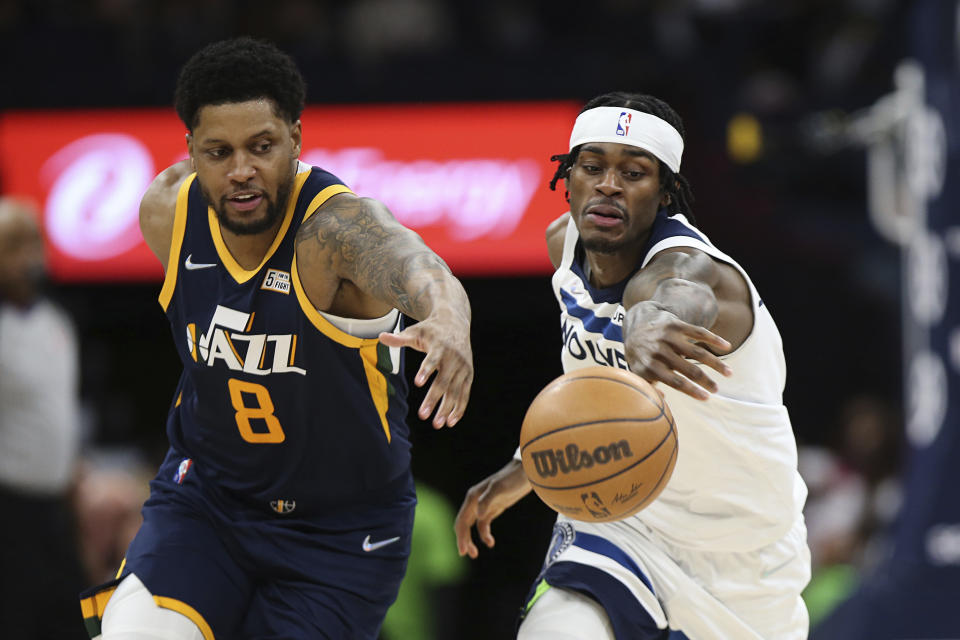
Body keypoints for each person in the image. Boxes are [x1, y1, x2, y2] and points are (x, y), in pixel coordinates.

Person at [79, 36, 473, 640]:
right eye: (219, 151)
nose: (241, 171)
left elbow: (413, 262)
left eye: (262, 147)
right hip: (207, 506)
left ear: (295, 137)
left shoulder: (334, 231)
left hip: (339, 532)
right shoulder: (168, 214)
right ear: (190, 152)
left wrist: (446, 316)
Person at [455, 92, 810, 639]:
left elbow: (671, 291)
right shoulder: (563, 246)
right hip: (622, 520)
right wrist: (526, 468)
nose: (609, 185)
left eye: (634, 172)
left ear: (665, 193)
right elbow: (594, 398)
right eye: (592, 167)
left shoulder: (701, 271)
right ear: (567, 177)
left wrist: (647, 321)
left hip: (742, 552)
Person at [0, 197, 88, 639]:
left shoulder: (56, 321)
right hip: (8, 510)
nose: (27, 258)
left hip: (55, 508)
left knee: (70, 622)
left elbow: (58, 413)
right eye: (12, 246)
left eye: (32, 243)